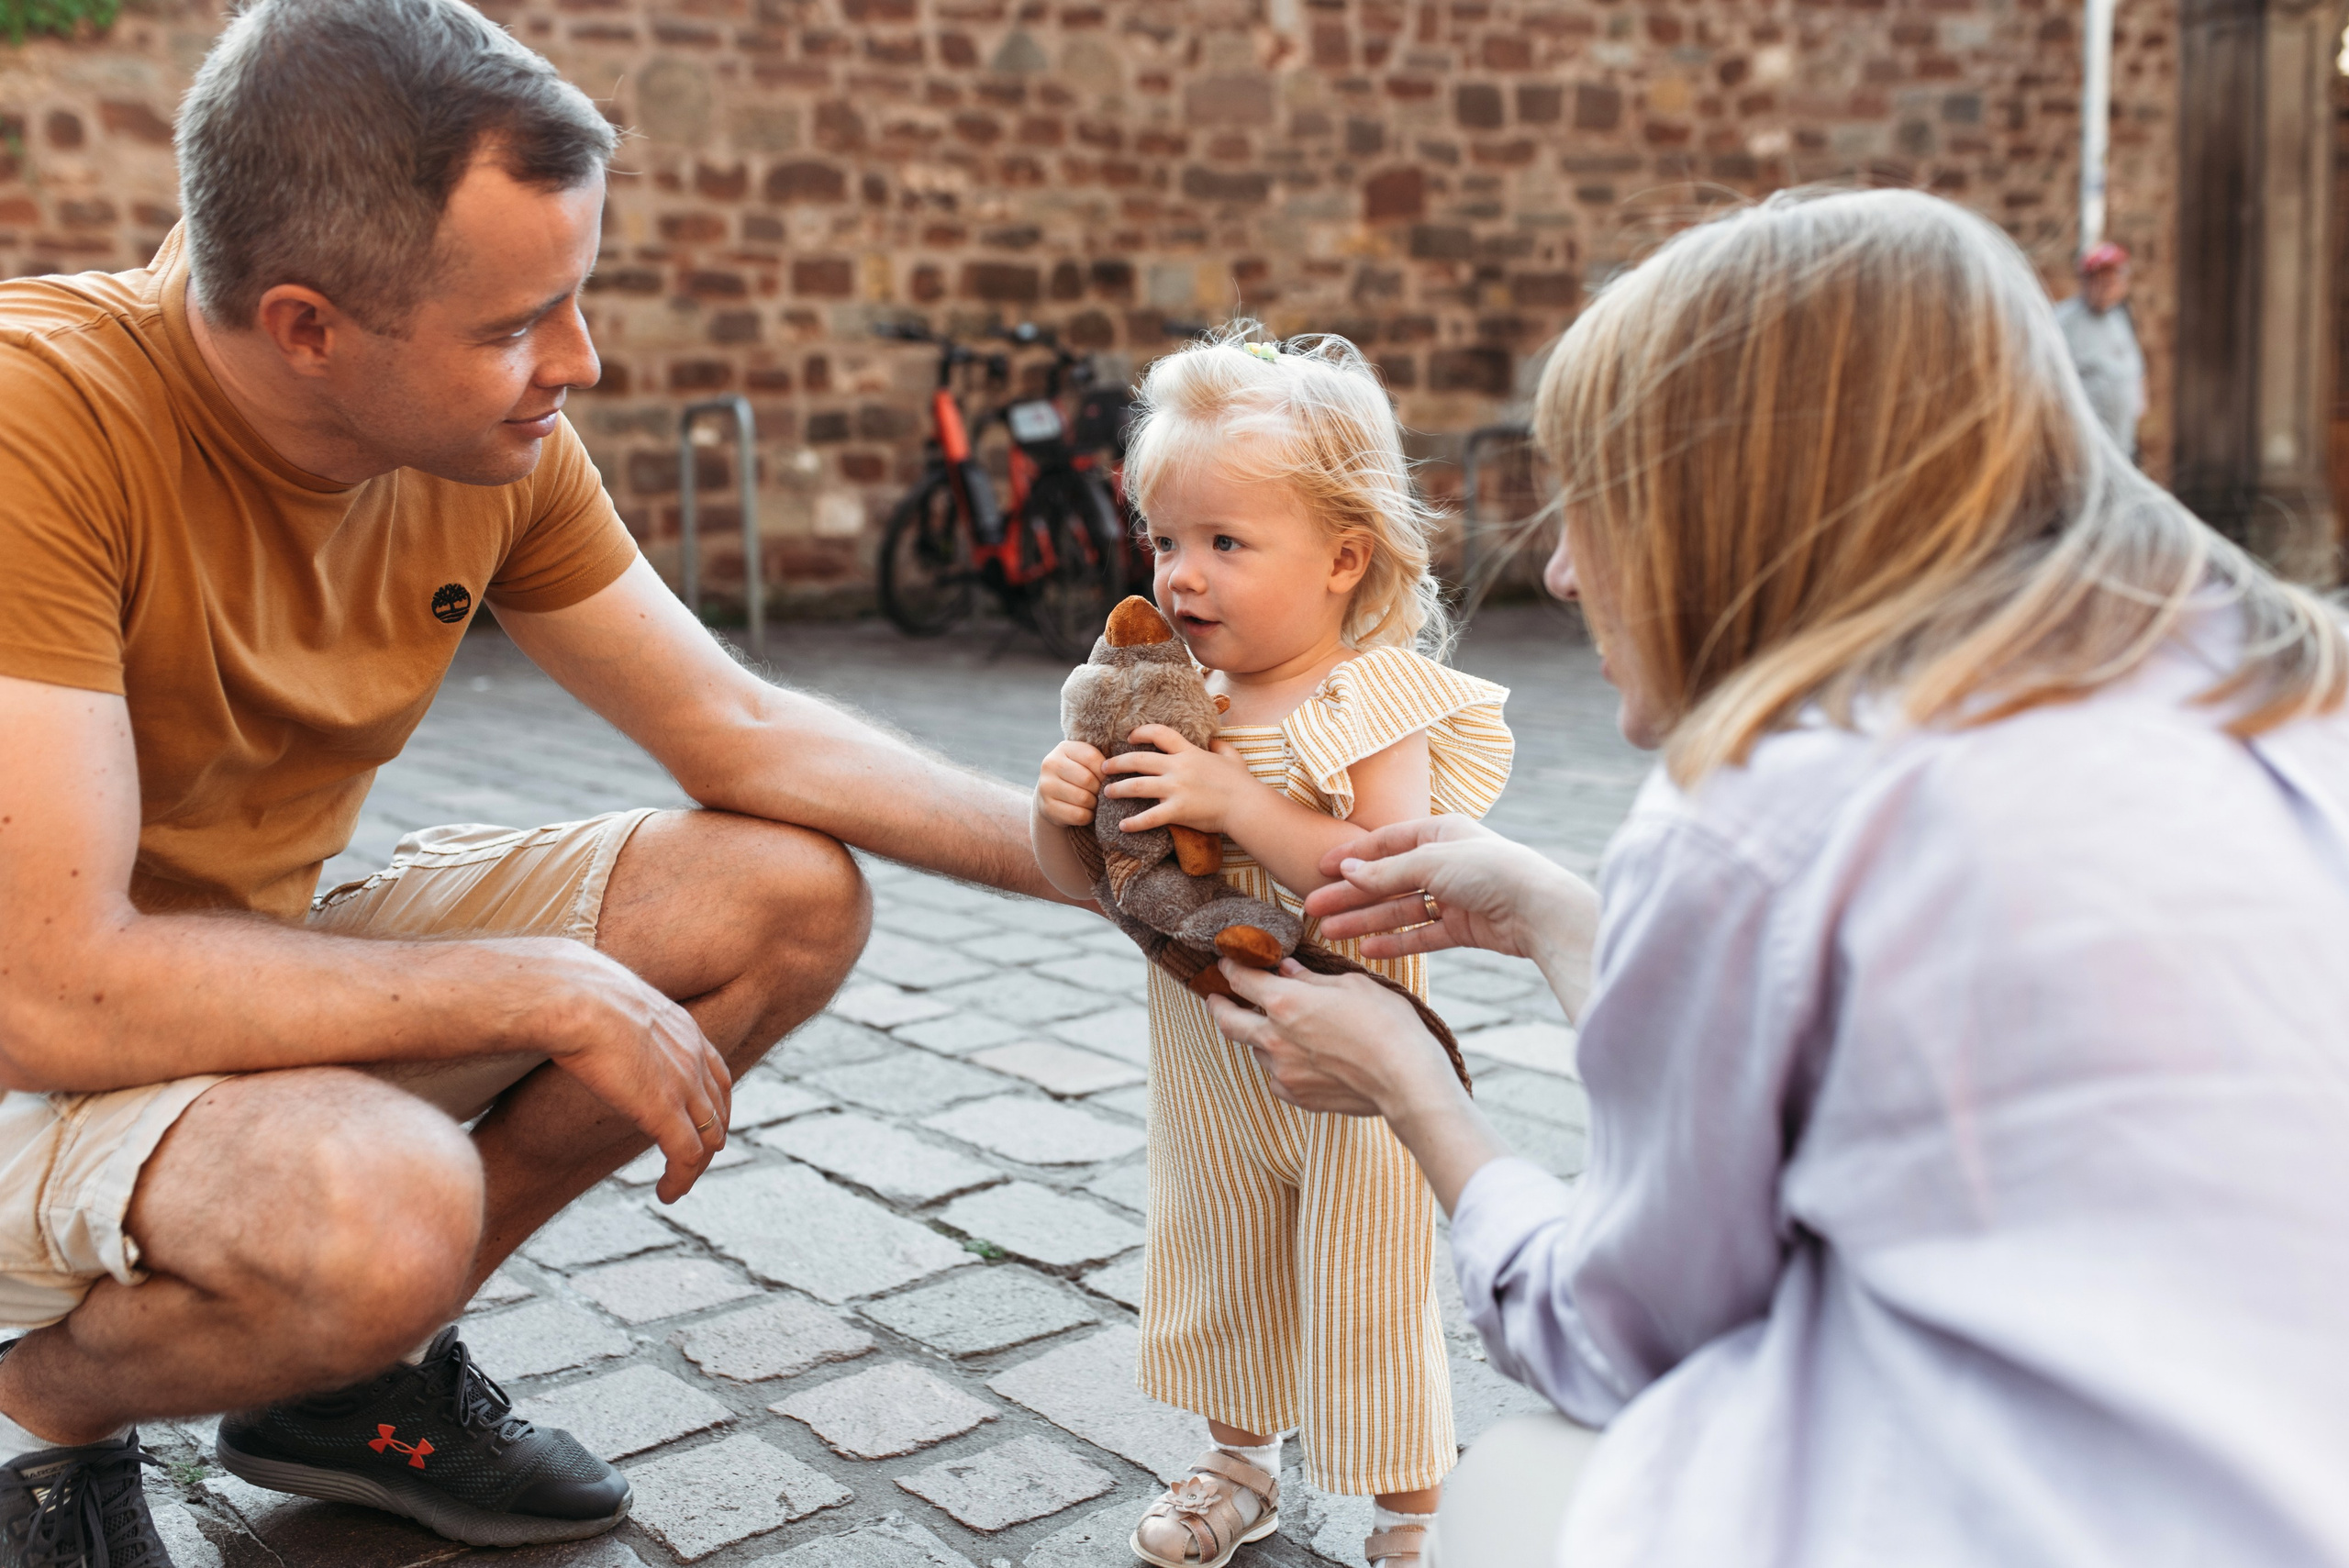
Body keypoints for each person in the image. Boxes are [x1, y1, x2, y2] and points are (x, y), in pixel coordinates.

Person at [0, 2, 1062, 1562]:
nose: (580, 359)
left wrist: (1107, 859)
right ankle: (43, 1418)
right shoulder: (41, 423)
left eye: (574, 298)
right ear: (306, 325)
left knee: (778, 891)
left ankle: (340, 1376)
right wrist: (540, 987)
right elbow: (55, 992)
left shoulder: (482, 440)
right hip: (29, 1040)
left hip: (215, 977)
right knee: (384, 1206)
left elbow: (741, 726)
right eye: (518, 322)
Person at [1206, 189, 2349, 1566]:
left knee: (1522, 1492)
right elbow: (1848, 1072)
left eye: (1599, 502)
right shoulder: (2283, 706)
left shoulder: (1775, 803)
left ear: (1731, 505)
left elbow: (1610, 1334)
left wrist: (1409, 1082)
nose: (1563, 571)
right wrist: (1564, 913)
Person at [1030, 332, 1514, 1568]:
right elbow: (1094, 882)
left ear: (1344, 557)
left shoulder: (1371, 696)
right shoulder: (1169, 701)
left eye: (1225, 543)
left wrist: (1233, 803)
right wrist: (1059, 810)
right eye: (1165, 540)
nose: (1183, 575)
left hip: (1354, 1067)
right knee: (1225, 1253)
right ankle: (1235, 1463)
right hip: (1209, 1058)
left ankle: (1409, 1517)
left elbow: (1373, 871)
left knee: (1365, 1279)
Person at [2053, 240, 2145, 460]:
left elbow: (2134, 366)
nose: (2107, 285)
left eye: (2112, 279)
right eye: (2099, 279)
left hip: (2123, 444)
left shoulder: (2120, 316)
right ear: (2085, 280)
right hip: (2084, 451)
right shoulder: (2063, 321)